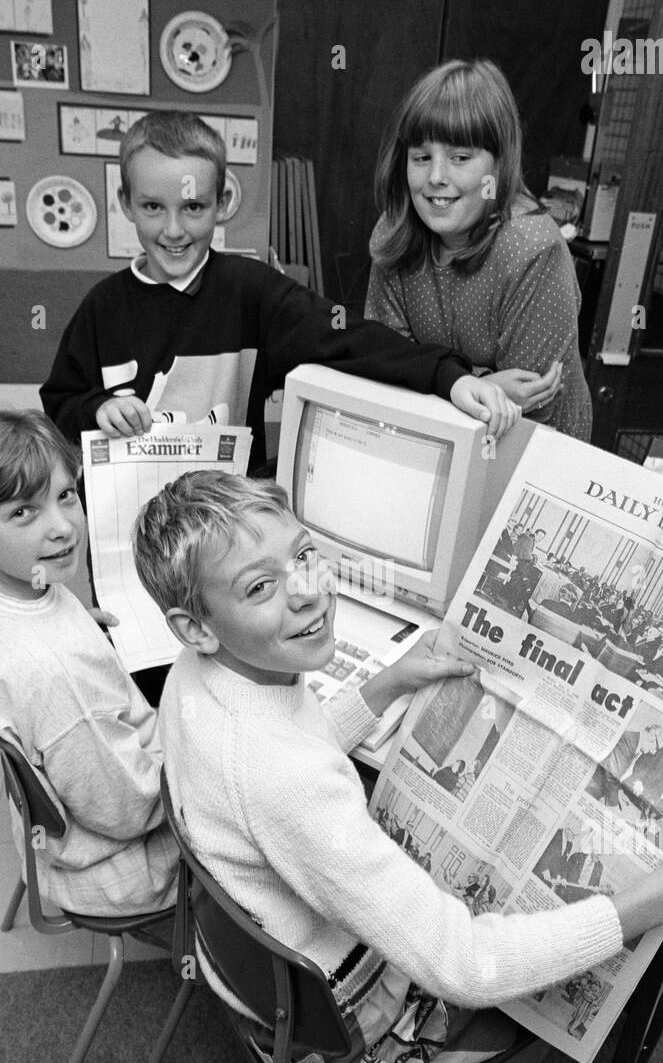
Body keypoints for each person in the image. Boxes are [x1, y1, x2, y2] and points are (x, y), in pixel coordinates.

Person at [132, 468, 663, 1063]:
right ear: (195, 627)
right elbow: (465, 967)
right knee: (554, 983)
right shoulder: (283, 779)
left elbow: (278, 764)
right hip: (335, 1055)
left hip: (263, 998)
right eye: (260, 588)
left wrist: (387, 685)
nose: (306, 591)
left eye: (303, 555)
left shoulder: (194, 683)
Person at [40, 109, 514, 704]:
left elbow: (344, 338)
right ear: (125, 203)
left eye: (195, 208)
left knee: (227, 685)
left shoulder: (250, 292)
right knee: (148, 689)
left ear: (224, 201)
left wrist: (447, 377)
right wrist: (94, 408)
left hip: (230, 558)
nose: (174, 228)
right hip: (130, 555)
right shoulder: (101, 310)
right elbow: (58, 402)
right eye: (153, 208)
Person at [0, 411, 178, 918]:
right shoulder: (57, 678)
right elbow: (130, 812)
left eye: (66, 494)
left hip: (52, 835)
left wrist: (66, 619)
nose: (65, 527)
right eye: (23, 512)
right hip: (123, 868)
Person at [365, 58, 592, 440]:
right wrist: (482, 384)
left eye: (460, 158)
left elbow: (526, 405)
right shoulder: (394, 231)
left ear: (498, 166)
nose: (436, 177)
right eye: (422, 157)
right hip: (430, 441)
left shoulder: (532, 248)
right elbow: (384, 365)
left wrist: (438, 379)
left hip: (534, 453)